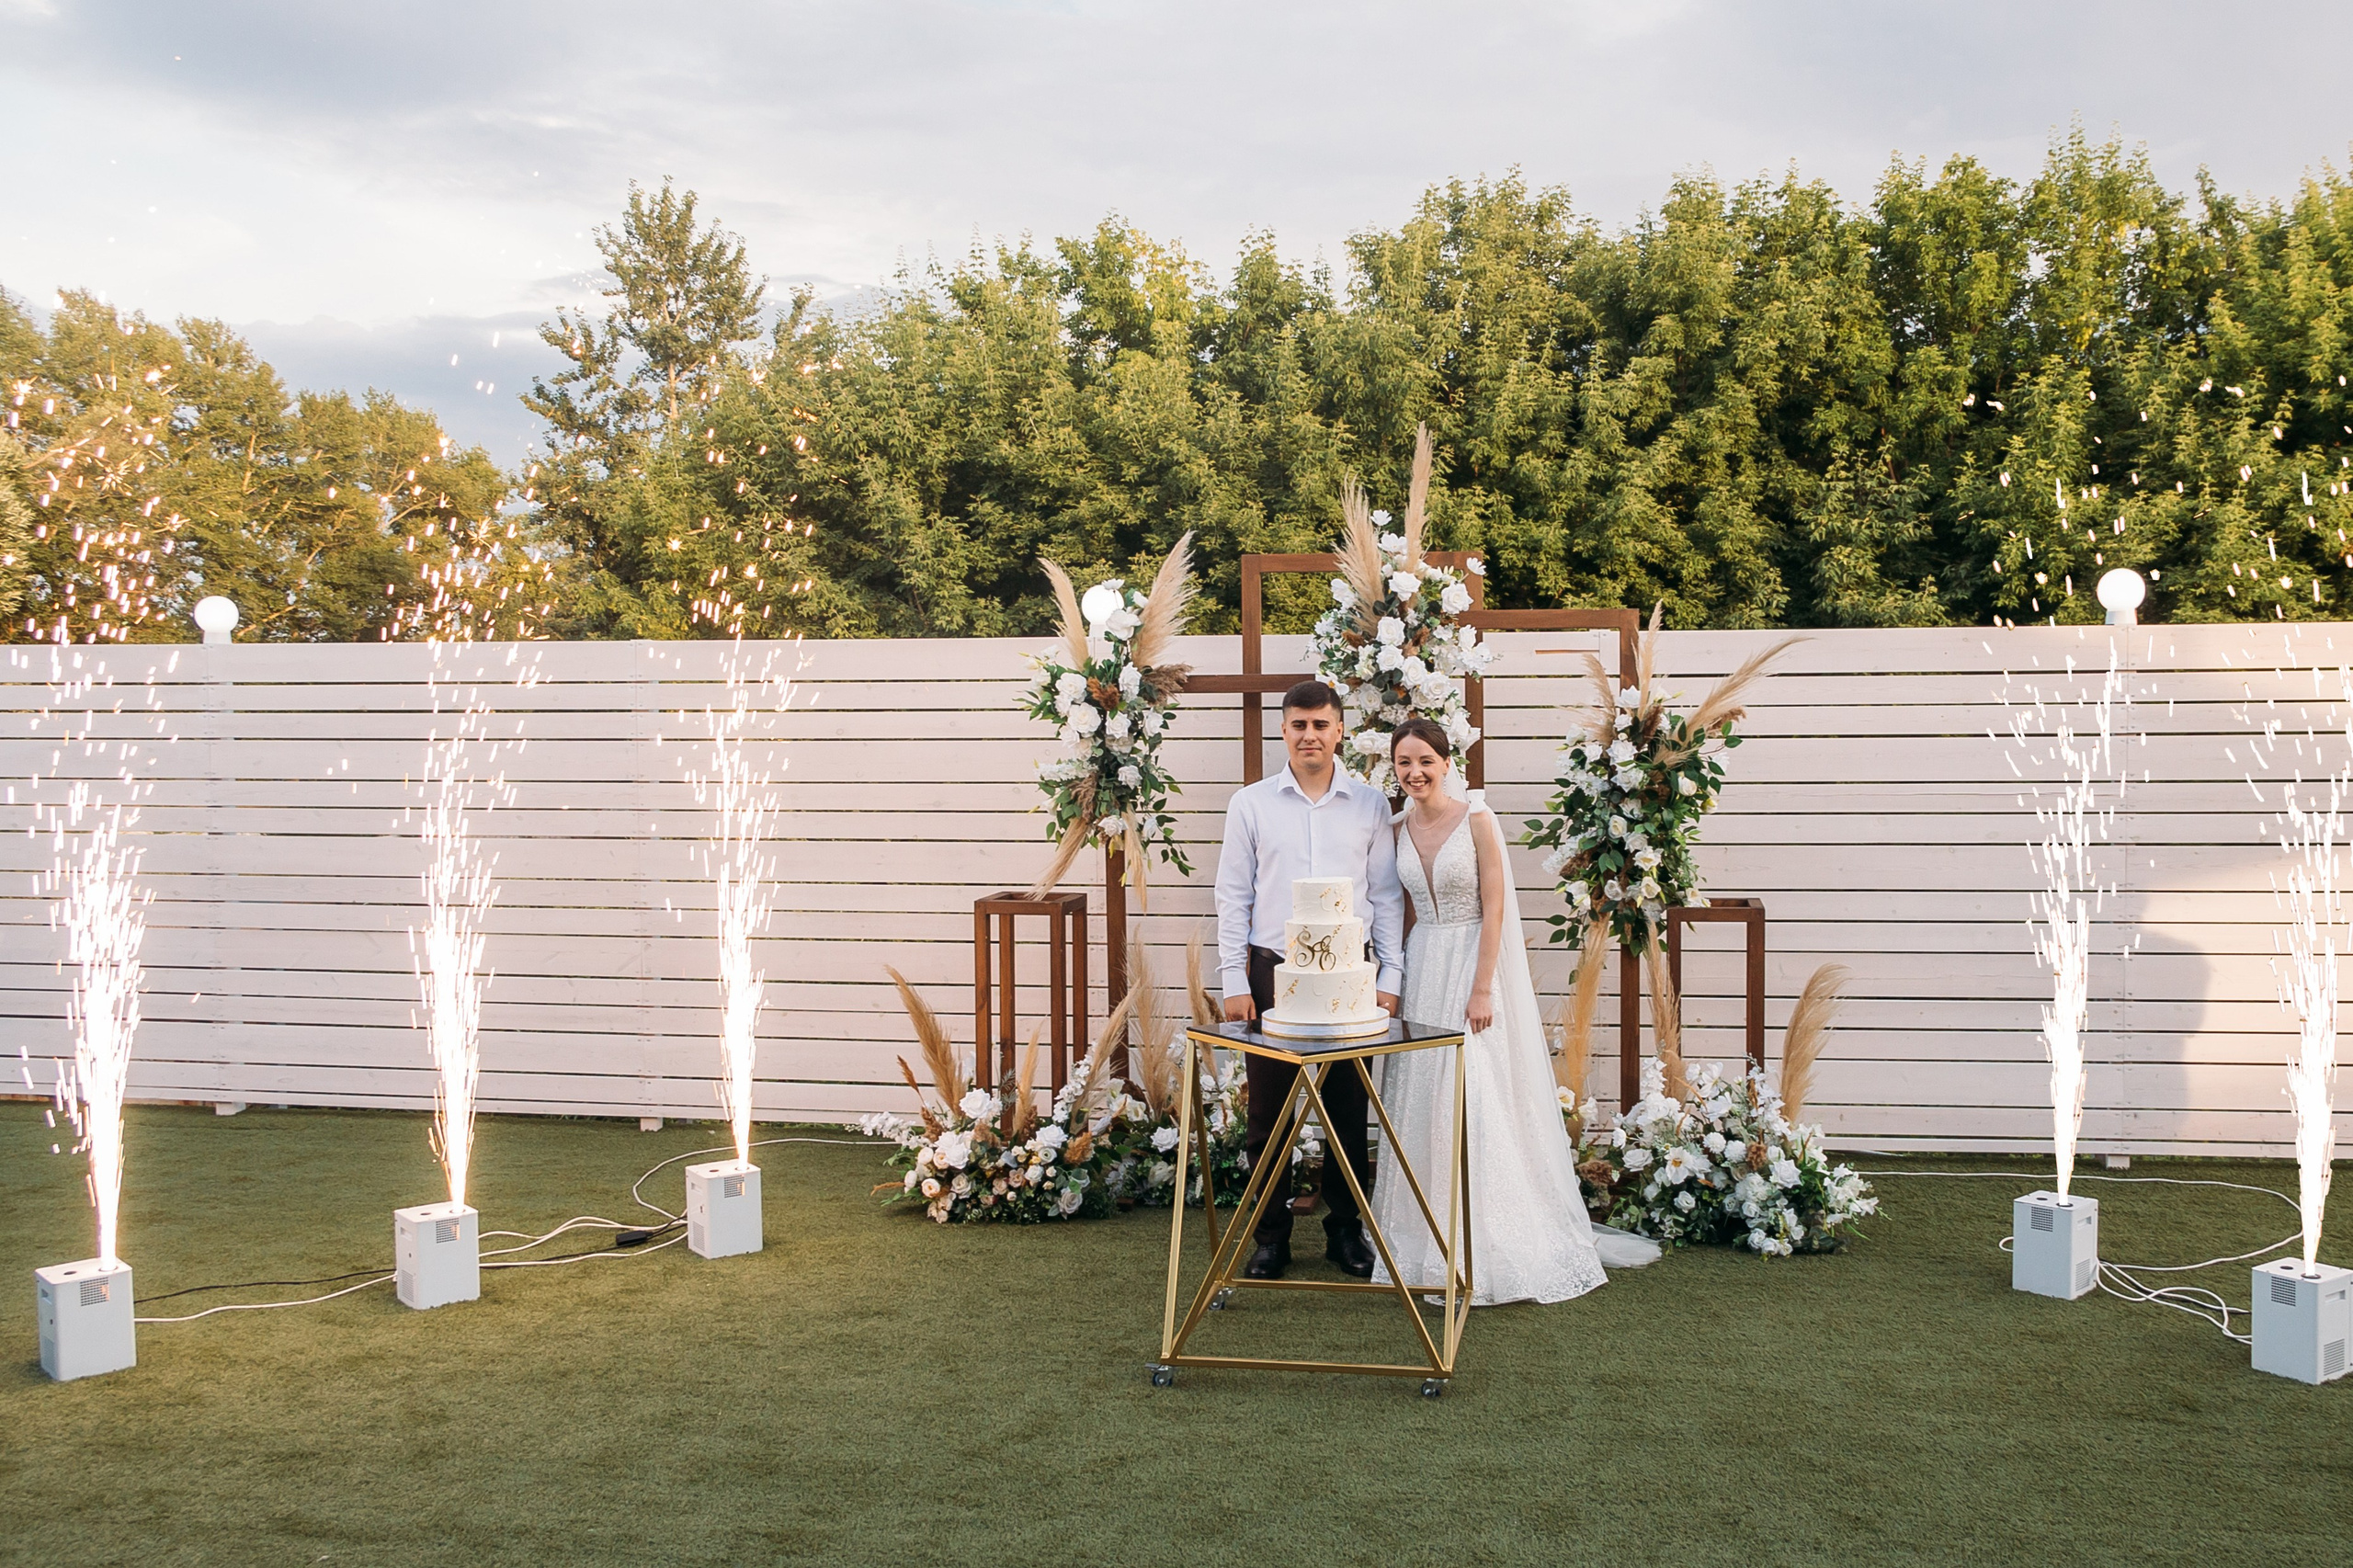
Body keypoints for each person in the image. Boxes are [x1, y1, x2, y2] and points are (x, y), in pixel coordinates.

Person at [1371, 717, 1659, 1305]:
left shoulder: (1478, 818)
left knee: (1473, 1090)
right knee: (1424, 1092)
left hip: (1475, 961)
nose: (1415, 772)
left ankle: (1489, 1239)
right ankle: (1427, 1237)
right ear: (1393, 769)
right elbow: (1398, 911)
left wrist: (1483, 988)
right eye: (1404, 763)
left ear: (1448, 763)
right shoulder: (1395, 825)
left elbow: (1497, 907)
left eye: (1426, 760)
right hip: (1424, 960)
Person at [1213, 680, 1404, 1281]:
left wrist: (1390, 974)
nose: (1310, 736)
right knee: (1269, 1117)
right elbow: (1233, 896)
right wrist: (1234, 978)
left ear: (1340, 730)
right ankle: (1270, 1238)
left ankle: (1345, 1233)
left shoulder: (1371, 805)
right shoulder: (1251, 804)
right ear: (1284, 730)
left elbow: (1388, 897)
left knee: (1349, 1113)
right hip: (1273, 975)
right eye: (1299, 725)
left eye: (1321, 725)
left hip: (1352, 975)